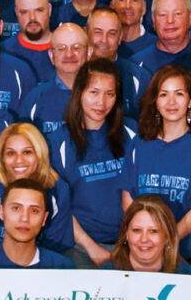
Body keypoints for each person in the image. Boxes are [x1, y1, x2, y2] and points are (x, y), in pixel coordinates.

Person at [121, 66, 191, 271]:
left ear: (190, 101)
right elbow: (128, 200)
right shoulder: (138, 144)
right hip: (143, 251)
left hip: (188, 252)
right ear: (155, 101)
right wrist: (147, 242)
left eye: (179, 94)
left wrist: (166, 241)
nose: (171, 102)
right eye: (163, 94)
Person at [55, 60, 135, 265]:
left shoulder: (131, 133)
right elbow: (58, 204)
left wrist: (131, 241)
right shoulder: (58, 141)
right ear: (79, 92)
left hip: (131, 243)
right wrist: (91, 247)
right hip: (79, 246)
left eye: (110, 94)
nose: (101, 102)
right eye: (94, 92)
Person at [0, 122, 73, 256]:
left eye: (27, 152)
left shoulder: (57, 188)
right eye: (11, 153)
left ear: (39, 154)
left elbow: (54, 247)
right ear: (2, 157)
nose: (19, 160)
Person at [0, 178, 73, 270]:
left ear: (44, 218)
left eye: (34, 210)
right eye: (16, 208)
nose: (24, 218)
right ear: (1, 212)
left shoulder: (64, 269)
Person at [19, 22, 92, 136]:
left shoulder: (102, 96)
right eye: (61, 49)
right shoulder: (35, 99)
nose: (69, 54)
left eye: (76, 48)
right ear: (51, 55)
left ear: (89, 52)